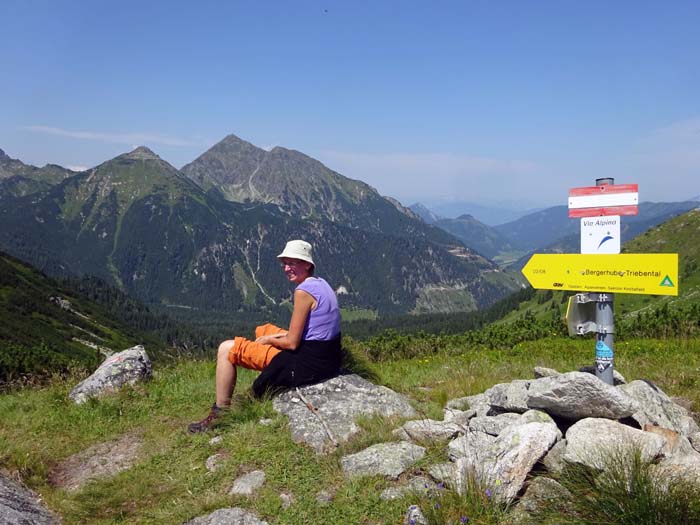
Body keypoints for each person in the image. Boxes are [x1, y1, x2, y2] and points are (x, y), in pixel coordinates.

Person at [188, 239, 342, 433]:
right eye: (285, 263)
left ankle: (219, 415)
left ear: (307, 265)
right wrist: (270, 336)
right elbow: (312, 330)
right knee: (263, 329)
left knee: (226, 348)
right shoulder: (321, 284)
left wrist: (269, 341)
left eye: (292, 263)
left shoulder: (303, 291)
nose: (286, 268)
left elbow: (293, 344)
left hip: (306, 362)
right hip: (327, 357)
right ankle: (256, 351)